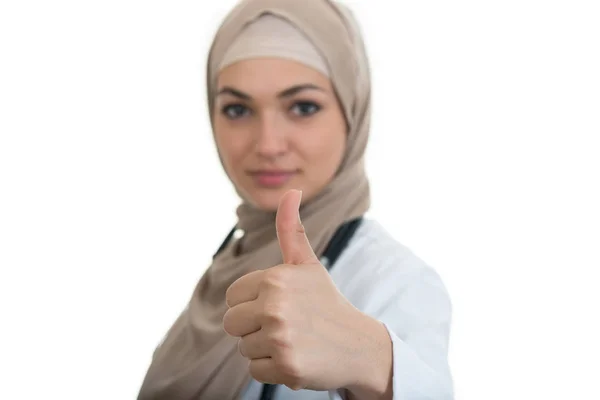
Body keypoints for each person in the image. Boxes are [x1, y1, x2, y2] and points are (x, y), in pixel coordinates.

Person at [137, 0, 454, 399]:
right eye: (237, 109)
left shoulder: (395, 280)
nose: (267, 144)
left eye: (303, 107)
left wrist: (372, 361)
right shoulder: (228, 266)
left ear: (351, 112)